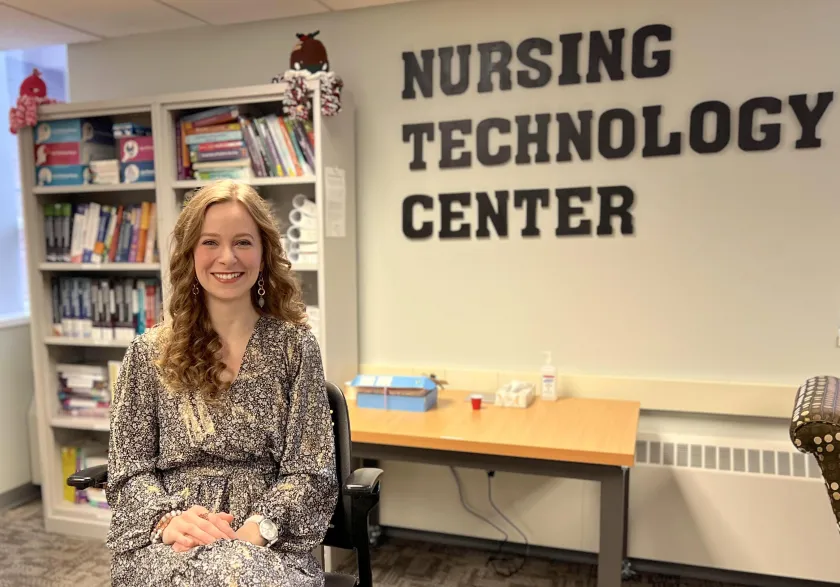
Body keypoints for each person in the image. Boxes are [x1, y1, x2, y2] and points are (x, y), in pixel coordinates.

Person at [105, 179, 338, 587]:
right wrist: (169, 520)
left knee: (240, 576)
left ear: (264, 253)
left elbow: (311, 470)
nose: (227, 257)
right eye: (210, 242)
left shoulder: (295, 348)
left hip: (268, 540)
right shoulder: (147, 353)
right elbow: (128, 471)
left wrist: (257, 530)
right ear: (191, 253)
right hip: (173, 537)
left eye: (243, 242)